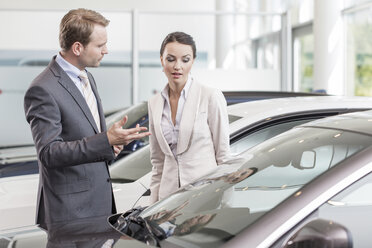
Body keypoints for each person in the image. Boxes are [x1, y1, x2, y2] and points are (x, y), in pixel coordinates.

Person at [23, 8, 150, 230]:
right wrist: (105, 141)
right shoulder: (43, 89)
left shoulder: (87, 77)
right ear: (78, 47)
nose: (106, 51)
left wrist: (111, 146)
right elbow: (49, 153)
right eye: (100, 45)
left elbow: (86, 139)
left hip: (98, 205)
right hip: (70, 212)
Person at [148, 31, 230, 204]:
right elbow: (158, 163)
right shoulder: (154, 103)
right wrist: (152, 207)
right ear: (162, 60)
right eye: (171, 59)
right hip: (167, 199)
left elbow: (223, 157)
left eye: (185, 60)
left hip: (204, 196)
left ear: (192, 61)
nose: (178, 66)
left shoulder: (210, 96)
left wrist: (222, 202)